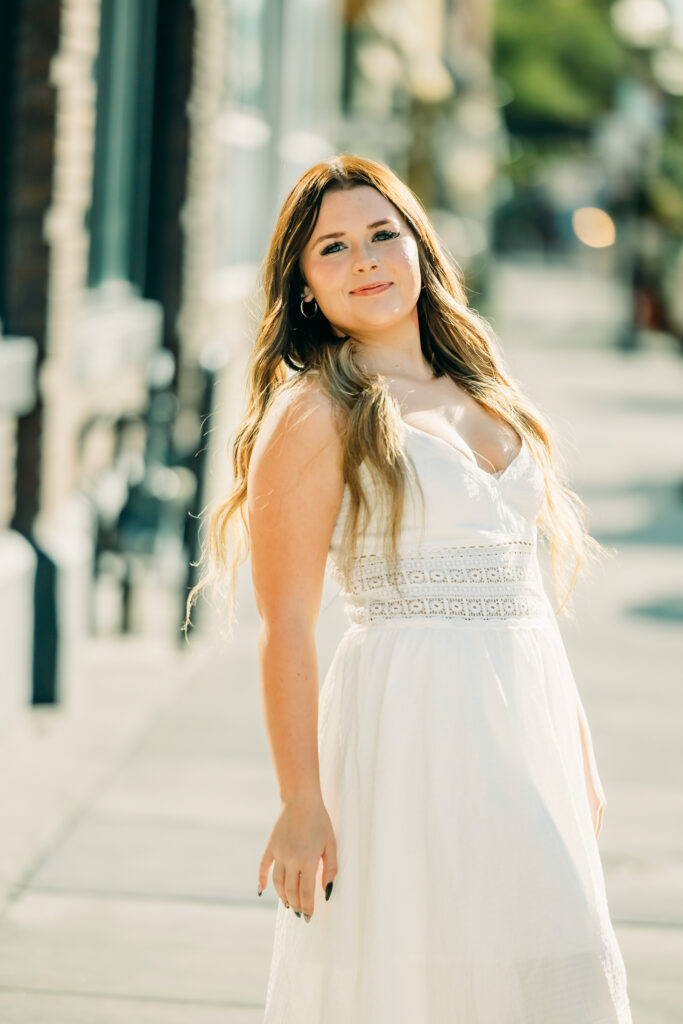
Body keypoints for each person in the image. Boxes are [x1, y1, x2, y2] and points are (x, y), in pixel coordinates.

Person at [184, 155, 633, 1022]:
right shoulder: (319, 412)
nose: (367, 260)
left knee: (548, 966)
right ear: (306, 288)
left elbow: (526, 594)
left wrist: (575, 749)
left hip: (523, 722)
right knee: (421, 973)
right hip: (409, 723)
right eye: (334, 248)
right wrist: (300, 800)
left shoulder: (481, 387)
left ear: (419, 246)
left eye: (383, 234)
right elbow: (286, 625)